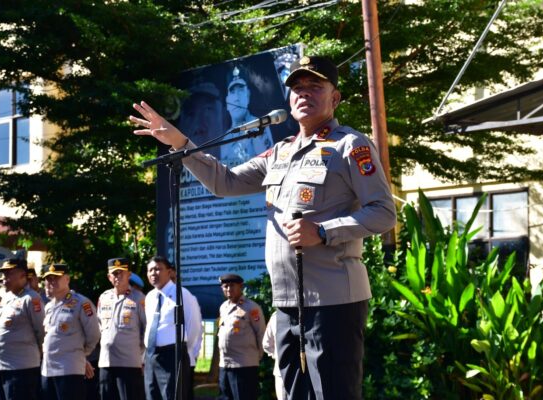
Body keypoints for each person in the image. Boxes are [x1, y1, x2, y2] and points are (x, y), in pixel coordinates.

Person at [129, 55, 397, 400]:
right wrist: (181, 144)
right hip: (286, 304)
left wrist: (325, 231)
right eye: (298, 88)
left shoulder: (351, 145)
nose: (304, 93)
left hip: (333, 303)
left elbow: (383, 212)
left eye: (315, 86)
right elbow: (224, 181)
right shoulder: (280, 152)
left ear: (335, 98)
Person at [143, 256, 202, 400]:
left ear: (169, 272)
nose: (153, 273)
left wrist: (184, 349)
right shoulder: (150, 297)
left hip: (172, 355)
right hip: (151, 355)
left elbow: (193, 325)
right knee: (152, 395)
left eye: (158, 269)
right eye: (150, 270)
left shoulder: (182, 294)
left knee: (172, 396)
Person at [41, 263, 101, 400]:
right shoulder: (49, 306)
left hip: (69, 370)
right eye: (48, 278)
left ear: (67, 279)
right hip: (48, 370)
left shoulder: (81, 303)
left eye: (56, 278)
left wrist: (80, 354)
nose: (51, 282)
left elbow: (94, 334)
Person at [0, 258, 45, 400]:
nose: (4, 278)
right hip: (2, 366)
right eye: (3, 274)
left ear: (22, 275)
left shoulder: (32, 298)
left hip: (21, 368)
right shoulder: (6, 297)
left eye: (8, 274)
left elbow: (42, 331)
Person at [97, 258, 146, 400]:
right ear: (109, 277)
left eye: (121, 273)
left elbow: (146, 329)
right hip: (106, 362)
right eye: (115, 273)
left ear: (128, 275)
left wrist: (139, 355)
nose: (118, 276)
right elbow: (99, 325)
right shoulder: (104, 297)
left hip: (129, 363)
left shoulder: (138, 298)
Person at [217, 274, 265, 400]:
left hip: (244, 365)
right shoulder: (223, 307)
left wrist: (255, 358)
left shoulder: (251, 307)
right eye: (225, 286)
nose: (228, 289)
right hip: (225, 364)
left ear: (241, 287)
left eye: (232, 285)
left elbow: (261, 334)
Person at [221, 66, 274, 163]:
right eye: (232, 91)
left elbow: (267, 164)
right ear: (227, 101)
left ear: (248, 95)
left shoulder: (260, 126)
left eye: (241, 90)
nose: (237, 98)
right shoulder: (225, 138)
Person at [262, 311, 284, 400]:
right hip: (305, 370)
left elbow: (267, 344)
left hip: (282, 370)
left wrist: (278, 355)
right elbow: (266, 344)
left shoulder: (277, 315)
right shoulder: (275, 316)